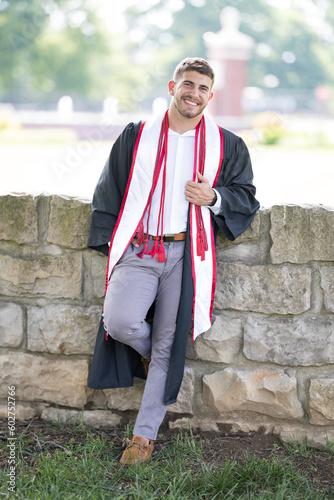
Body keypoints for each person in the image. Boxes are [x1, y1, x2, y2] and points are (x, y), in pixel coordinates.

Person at [87, 57, 259, 465]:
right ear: (172, 86)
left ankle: (142, 438)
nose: (193, 93)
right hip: (142, 249)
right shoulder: (137, 135)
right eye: (188, 84)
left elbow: (247, 197)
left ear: (210, 95)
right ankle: (156, 358)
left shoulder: (226, 144)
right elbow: (108, 188)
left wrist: (214, 198)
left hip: (188, 254)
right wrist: (113, 242)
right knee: (120, 321)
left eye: (202, 88)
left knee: (169, 342)